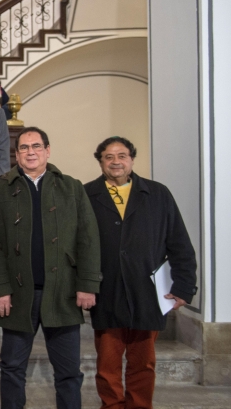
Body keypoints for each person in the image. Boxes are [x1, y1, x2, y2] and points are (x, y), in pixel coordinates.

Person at [0, 127, 102, 409]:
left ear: (47, 150)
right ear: (17, 154)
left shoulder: (71, 187)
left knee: (69, 372)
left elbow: (88, 238)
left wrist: (87, 284)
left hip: (62, 293)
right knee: (12, 368)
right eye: (24, 147)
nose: (30, 152)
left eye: (36, 146)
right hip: (18, 295)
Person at [84, 136, 197, 409]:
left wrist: (183, 287)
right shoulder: (86, 195)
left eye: (122, 156)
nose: (116, 162)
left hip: (147, 293)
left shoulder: (158, 194)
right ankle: (112, 406)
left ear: (132, 159)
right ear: (100, 162)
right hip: (107, 290)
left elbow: (179, 243)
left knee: (143, 363)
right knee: (107, 364)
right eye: (109, 157)